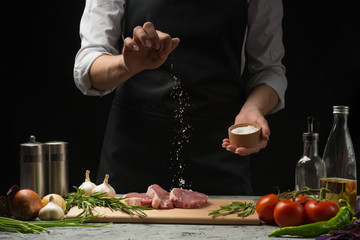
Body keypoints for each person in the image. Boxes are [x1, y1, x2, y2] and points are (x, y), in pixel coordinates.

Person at [74, 0, 287, 195]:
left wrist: (254, 109)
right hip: (133, 150)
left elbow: (269, 70)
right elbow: (88, 68)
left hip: (218, 148)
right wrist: (126, 64)